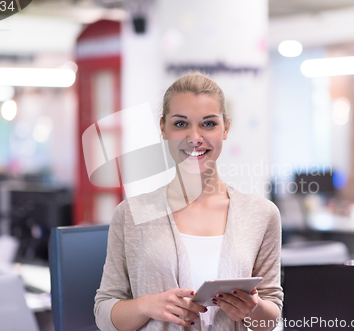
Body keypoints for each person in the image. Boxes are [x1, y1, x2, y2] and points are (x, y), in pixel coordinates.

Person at [94, 72, 283, 331]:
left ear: (226, 128)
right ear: (163, 128)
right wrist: (146, 305)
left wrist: (253, 309)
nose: (195, 137)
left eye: (208, 124)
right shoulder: (131, 214)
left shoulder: (261, 214)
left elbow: (271, 316)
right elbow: (104, 312)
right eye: (181, 124)